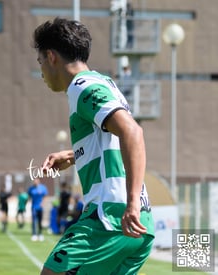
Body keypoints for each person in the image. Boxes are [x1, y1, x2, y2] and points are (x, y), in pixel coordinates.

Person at [32, 18, 154, 274]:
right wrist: (74, 154)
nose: (41, 70)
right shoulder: (103, 82)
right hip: (140, 221)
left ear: (51, 56)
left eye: (39, 61)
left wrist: (130, 203)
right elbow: (111, 138)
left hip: (111, 217)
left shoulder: (81, 86)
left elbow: (132, 132)